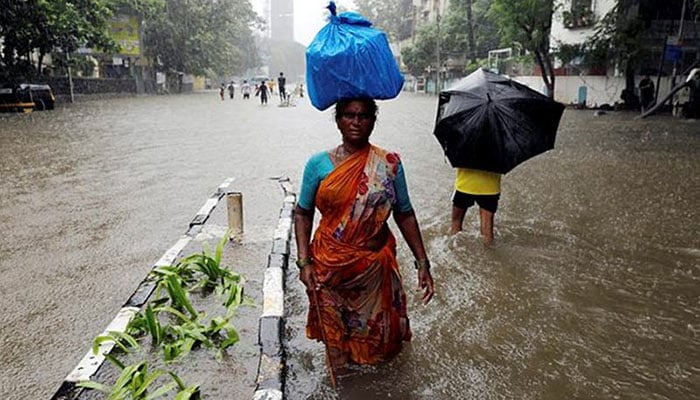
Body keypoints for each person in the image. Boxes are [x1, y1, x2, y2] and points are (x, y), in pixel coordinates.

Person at [294, 97, 435, 373]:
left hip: (373, 272)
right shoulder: (317, 165)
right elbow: (303, 212)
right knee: (336, 349)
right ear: (338, 120)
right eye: (349, 115)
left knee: (380, 351)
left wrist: (423, 262)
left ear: (373, 120)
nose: (356, 122)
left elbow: (404, 213)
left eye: (364, 116)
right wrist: (303, 262)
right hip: (329, 270)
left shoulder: (389, 164)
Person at [450, 167, 501, 246]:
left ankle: (454, 247)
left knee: (456, 220)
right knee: (487, 230)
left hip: (465, 185)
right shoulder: (499, 153)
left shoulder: (464, 153)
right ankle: (489, 254)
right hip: (490, 188)